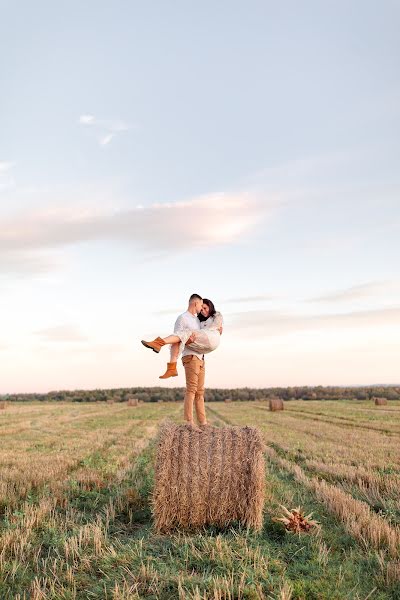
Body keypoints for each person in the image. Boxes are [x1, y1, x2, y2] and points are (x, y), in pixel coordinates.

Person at [141, 294, 223, 429]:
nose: (202, 309)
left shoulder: (197, 321)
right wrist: (172, 361)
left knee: (200, 392)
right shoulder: (182, 318)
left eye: (204, 308)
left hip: (201, 357)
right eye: (201, 306)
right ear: (195, 303)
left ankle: (203, 423)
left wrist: (217, 330)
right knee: (191, 390)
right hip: (190, 357)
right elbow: (176, 340)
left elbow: (204, 336)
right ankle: (189, 422)